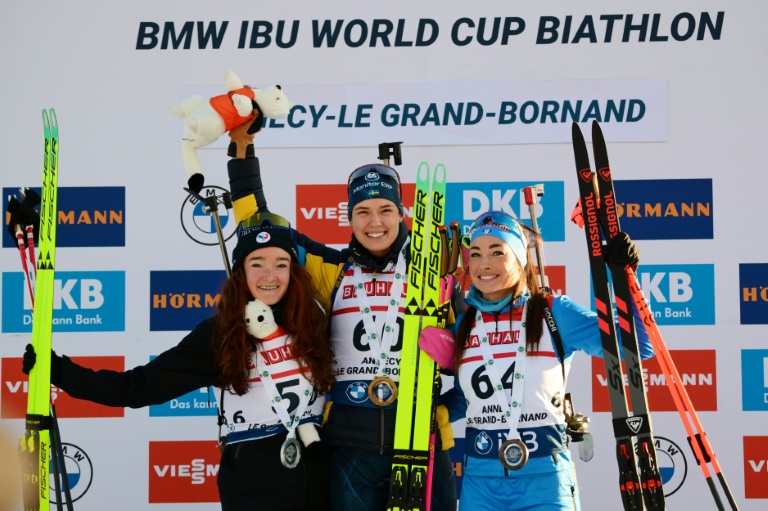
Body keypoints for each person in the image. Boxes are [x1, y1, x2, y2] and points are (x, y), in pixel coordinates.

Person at [22, 219, 336, 511]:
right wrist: (61, 371)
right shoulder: (221, 336)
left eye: (281, 265)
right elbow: (138, 387)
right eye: (258, 264)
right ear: (241, 272)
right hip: (254, 492)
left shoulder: (313, 325)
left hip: (321, 487)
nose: (271, 276)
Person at [234, 159, 460, 510]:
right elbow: (260, 227)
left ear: (401, 213)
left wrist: (450, 389)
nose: (375, 223)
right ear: (349, 218)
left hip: (423, 440)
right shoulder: (333, 269)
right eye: (362, 212)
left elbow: (477, 347)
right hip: (352, 446)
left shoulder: (435, 273)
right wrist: (243, 157)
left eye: (385, 210)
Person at [427, 210, 653, 511]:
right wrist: (430, 412)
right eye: (477, 253)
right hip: (480, 482)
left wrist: (625, 279)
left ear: (520, 259)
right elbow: (467, 399)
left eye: (498, 252)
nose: (484, 264)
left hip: (545, 480)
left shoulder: (553, 313)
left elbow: (638, 346)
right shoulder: (465, 324)